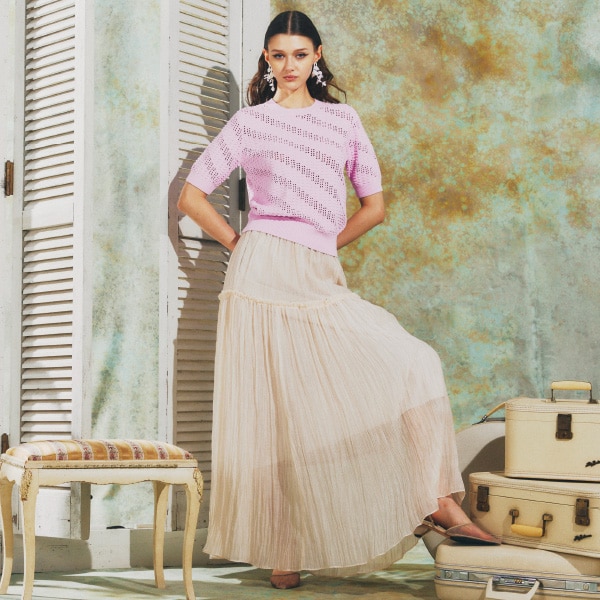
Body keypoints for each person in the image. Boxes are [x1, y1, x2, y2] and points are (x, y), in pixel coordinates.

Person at [177, 10, 499, 591]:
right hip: (259, 273)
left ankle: (435, 499)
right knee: (277, 413)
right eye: (279, 55)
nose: (289, 66)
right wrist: (240, 242)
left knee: (414, 361)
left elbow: (375, 208)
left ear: (317, 56)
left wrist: (324, 245)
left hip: (317, 272)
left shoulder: (342, 120)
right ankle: (282, 548)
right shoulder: (250, 124)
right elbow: (191, 196)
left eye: (300, 55)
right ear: (267, 60)